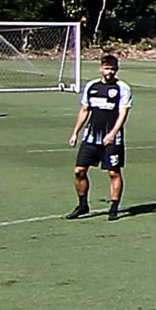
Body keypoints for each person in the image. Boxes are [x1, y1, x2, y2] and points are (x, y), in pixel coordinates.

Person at [67, 55, 130, 219]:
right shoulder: (91, 86)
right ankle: (82, 205)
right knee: (79, 170)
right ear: (101, 68)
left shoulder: (122, 88)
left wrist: (112, 133)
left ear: (116, 70)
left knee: (113, 172)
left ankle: (114, 209)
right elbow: (84, 110)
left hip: (111, 139)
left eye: (112, 69)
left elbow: (123, 114)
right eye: (107, 68)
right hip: (91, 137)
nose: (109, 72)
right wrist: (75, 132)